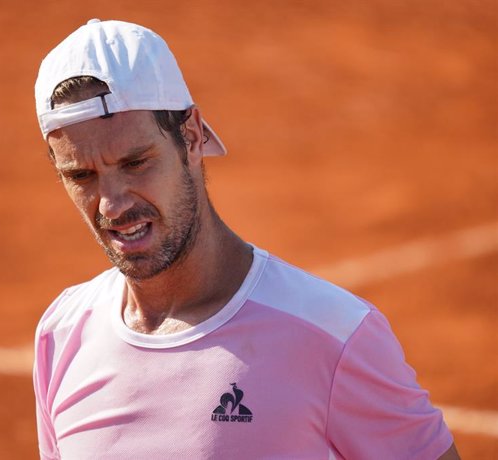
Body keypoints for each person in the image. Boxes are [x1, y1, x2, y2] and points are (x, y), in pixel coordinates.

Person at [32, 19, 460, 459]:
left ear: (192, 136)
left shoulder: (334, 337)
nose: (112, 205)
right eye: (81, 175)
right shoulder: (62, 335)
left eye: (136, 162)